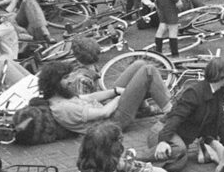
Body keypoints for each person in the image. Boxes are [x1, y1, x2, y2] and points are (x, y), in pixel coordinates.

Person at [149, 55, 224, 172]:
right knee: (179, 150)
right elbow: (175, 117)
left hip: (179, 138)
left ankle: (150, 165)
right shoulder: (194, 92)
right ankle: (133, 159)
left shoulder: (219, 91)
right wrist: (163, 140)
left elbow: (221, 120)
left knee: (177, 165)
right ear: (223, 76)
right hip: (162, 131)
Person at [34, 58, 170, 135]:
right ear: (54, 82)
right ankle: (171, 112)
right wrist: (121, 96)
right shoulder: (62, 108)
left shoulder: (60, 96)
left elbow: (89, 97)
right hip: (113, 122)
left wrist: (115, 91)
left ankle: (144, 108)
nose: (70, 80)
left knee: (139, 64)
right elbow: (104, 113)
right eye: (65, 78)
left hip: (108, 109)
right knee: (148, 71)